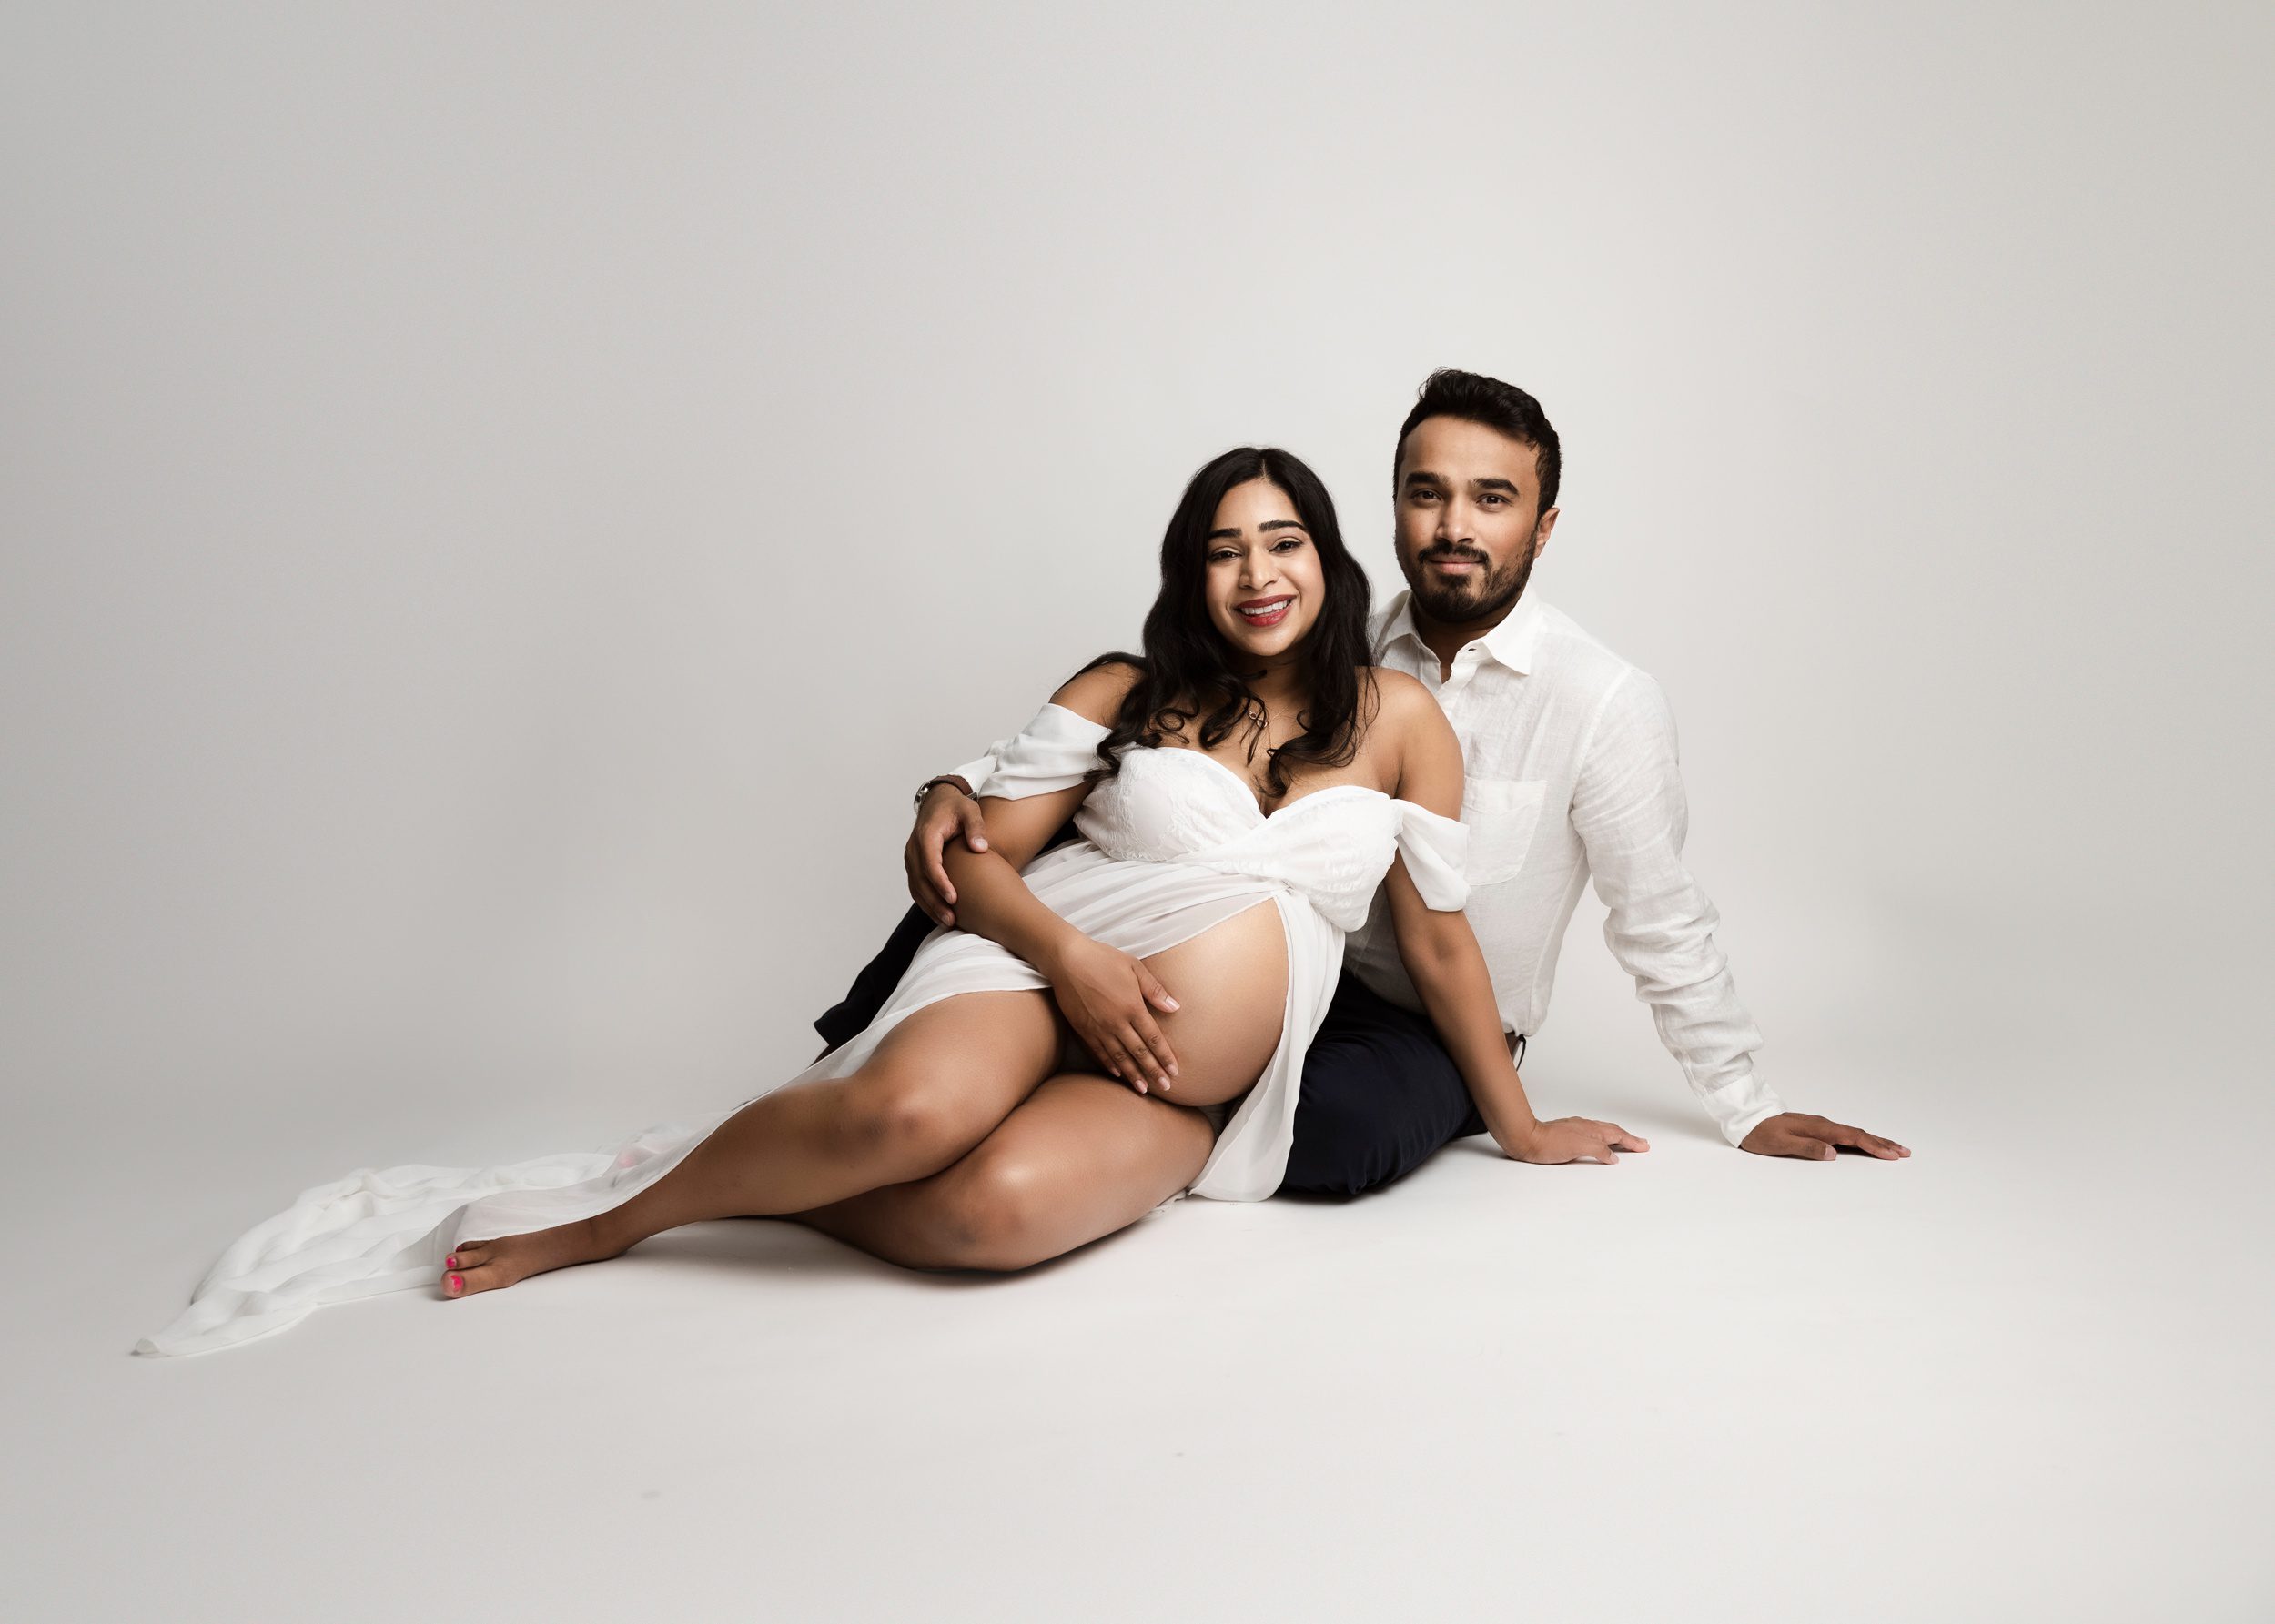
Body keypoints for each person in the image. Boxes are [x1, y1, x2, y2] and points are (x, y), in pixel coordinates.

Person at [136, 444, 1642, 1358]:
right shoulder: (1125, 686)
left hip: (1195, 1088)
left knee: (991, 1214)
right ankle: (617, 1222)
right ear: (1189, 574)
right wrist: (1072, 961)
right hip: (1045, 971)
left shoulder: (1397, 717)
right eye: (1223, 547)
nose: (1257, 571)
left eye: (1283, 540)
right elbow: (975, 852)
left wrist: (1516, 1123)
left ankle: (765, 1188)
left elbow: (1438, 938)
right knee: (906, 1115)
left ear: (1328, 556)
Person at [824, 369, 1907, 1259]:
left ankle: (1081, 1119)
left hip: (1424, 1020)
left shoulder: (1602, 701)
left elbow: (1658, 916)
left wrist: (1742, 1101)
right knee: (989, 857)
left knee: (1336, 1137)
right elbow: (1144, 734)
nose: (1453, 526)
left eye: (1491, 499)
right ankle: (881, 1077)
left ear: (1543, 525)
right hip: (1260, 952)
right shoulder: (1327, 631)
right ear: (1390, 507)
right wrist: (958, 784)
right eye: (1426, 493)